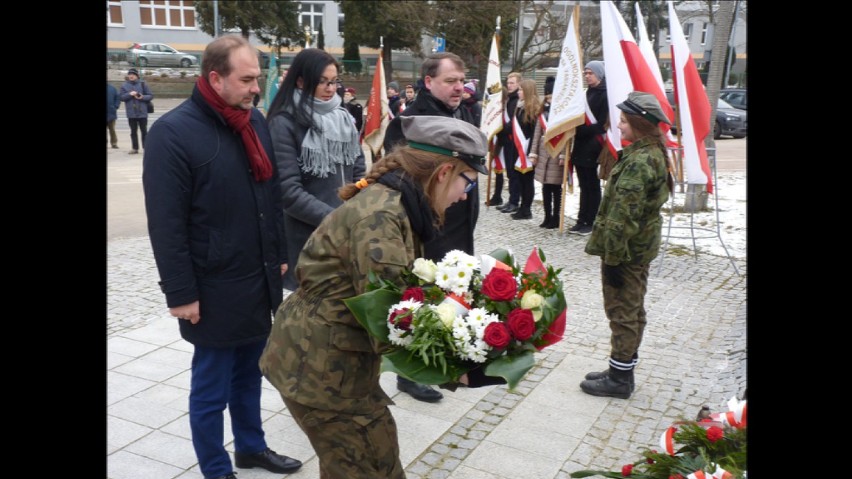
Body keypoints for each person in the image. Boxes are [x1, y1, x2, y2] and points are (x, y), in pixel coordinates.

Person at [259, 115, 501, 479]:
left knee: (359, 464)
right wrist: (458, 370)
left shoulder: (399, 204)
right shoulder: (382, 217)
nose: (465, 195)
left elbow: (402, 293)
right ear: (444, 171)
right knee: (373, 468)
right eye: (467, 181)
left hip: (332, 363)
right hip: (322, 371)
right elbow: (391, 317)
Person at [142, 35, 302, 479]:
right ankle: (215, 468)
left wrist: (279, 257)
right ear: (215, 78)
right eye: (247, 79)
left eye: (258, 78)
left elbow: (270, 197)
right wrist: (181, 293)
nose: (257, 88)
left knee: (251, 374)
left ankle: (251, 447)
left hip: (257, 277)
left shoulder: (254, 122)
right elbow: (166, 225)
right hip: (211, 287)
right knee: (211, 386)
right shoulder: (172, 134)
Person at [383, 51, 479, 403]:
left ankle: (438, 357)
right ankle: (408, 373)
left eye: (461, 80)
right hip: (427, 227)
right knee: (419, 298)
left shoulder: (463, 111)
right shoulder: (412, 120)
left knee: (450, 295)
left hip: (457, 224)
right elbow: (395, 173)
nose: (459, 87)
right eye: (450, 81)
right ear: (428, 82)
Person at [579, 91, 672, 400]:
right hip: (638, 247)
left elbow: (624, 215)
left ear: (637, 123)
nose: (618, 126)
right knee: (631, 308)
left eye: (622, 121)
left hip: (627, 250)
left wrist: (614, 257)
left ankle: (620, 379)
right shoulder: (647, 152)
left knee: (623, 310)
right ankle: (620, 367)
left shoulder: (641, 160)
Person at [266, 48, 366, 292]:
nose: (331, 89)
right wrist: (336, 219)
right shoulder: (284, 122)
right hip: (307, 240)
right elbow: (288, 192)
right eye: (322, 82)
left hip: (344, 235)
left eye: (333, 82)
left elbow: (359, 168)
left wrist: (361, 204)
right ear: (301, 81)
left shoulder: (342, 117)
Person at [569, 60, 608, 235]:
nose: (587, 76)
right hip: (580, 145)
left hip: (593, 145)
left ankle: (591, 221)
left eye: (590, 73)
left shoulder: (604, 94)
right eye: (585, 73)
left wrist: (580, 130)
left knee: (592, 185)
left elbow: (601, 124)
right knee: (583, 185)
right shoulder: (585, 94)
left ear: (599, 74)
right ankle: (581, 219)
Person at [530, 76, 565, 229]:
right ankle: (547, 216)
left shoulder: (562, 112)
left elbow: (565, 135)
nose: (549, 99)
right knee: (545, 187)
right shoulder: (542, 112)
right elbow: (537, 133)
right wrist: (534, 153)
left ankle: (556, 217)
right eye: (548, 95)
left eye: (552, 96)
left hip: (557, 153)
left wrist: (563, 154)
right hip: (544, 154)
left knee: (556, 188)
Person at [509, 79, 542, 220]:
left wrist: (531, 152)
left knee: (527, 181)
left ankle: (526, 209)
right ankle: (522, 207)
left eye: (521, 90)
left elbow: (534, 131)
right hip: (519, 148)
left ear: (527, 91)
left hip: (528, 150)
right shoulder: (520, 106)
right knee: (520, 179)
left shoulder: (533, 109)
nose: (518, 92)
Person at [493, 72, 522, 211]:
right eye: (508, 83)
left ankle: (515, 201)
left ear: (518, 84)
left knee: (514, 173)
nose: (509, 85)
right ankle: (511, 200)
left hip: (514, 140)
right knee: (510, 172)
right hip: (506, 140)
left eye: (512, 83)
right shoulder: (509, 99)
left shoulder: (517, 101)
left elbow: (514, 122)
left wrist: (502, 128)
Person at [120, 68, 153, 154]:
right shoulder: (124, 85)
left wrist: (142, 97)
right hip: (131, 113)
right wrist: (129, 94)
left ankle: (146, 147)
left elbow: (150, 96)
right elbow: (121, 98)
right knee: (133, 131)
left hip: (142, 112)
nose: (131, 76)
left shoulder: (143, 84)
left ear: (137, 76)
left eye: (133, 74)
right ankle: (135, 148)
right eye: (130, 74)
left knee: (144, 131)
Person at [107, 82, 120, 149]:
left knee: (112, 129)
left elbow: (117, 98)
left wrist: (115, 106)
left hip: (111, 112)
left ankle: (114, 143)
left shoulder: (112, 88)